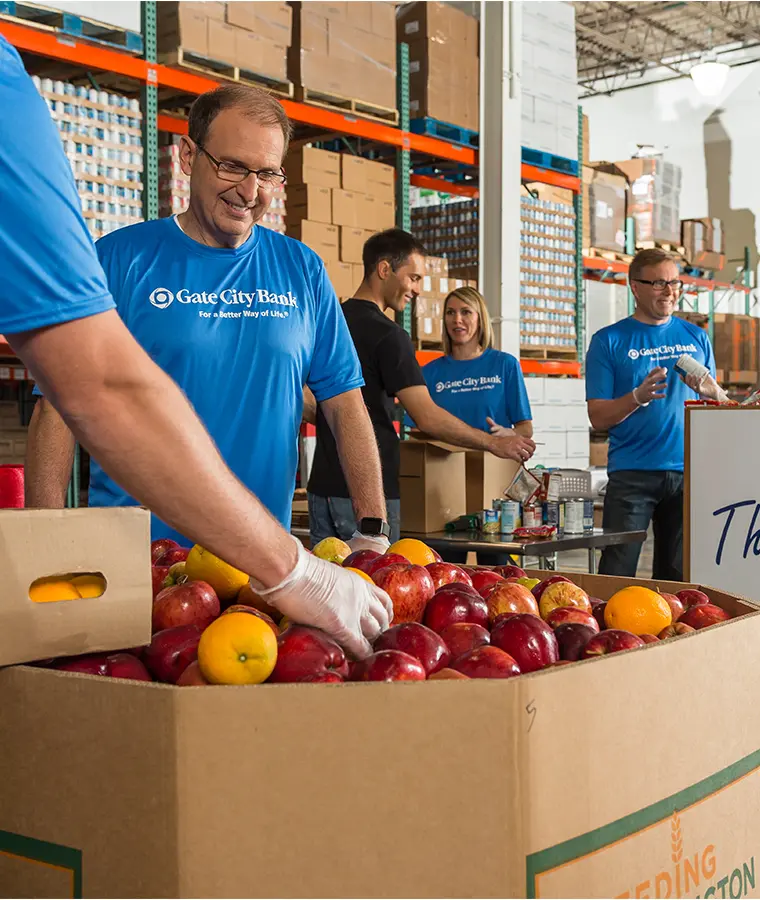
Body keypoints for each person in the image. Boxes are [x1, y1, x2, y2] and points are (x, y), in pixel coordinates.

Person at [2, 35, 390, 658]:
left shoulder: (302, 270)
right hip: (134, 566)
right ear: (187, 157)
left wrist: (371, 532)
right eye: (233, 166)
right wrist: (49, 542)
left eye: (267, 173)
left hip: (261, 573)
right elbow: (59, 408)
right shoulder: (120, 259)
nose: (250, 191)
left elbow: (347, 404)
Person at [306, 228, 536, 546]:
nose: (416, 289)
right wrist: (493, 444)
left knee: (322, 589)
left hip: (322, 488)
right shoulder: (389, 336)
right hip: (368, 496)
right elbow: (426, 417)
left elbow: (307, 402)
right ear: (384, 269)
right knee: (373, 588)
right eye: (413, 277)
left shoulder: (327, 323)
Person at [586, 247, 725, 581]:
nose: (670, 291)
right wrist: (636, 397)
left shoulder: (696, 337)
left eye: (675, 283)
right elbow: (599, 417)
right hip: (632, 475)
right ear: (635, 287)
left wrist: (714, 394)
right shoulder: (608, 341)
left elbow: (721, 411)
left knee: (678, 577)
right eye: (659, 283)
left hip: (686, 474)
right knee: (617, 573)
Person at [408, 285, 533, 565]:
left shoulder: (504, 366)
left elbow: (526, 430)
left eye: (466, 312)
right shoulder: (428, 373)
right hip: (443, 491)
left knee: (498, 571)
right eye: (450, 313)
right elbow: (415, 431)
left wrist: (509, 434)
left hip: (493, 489)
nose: (457, 320)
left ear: (480, 319)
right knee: (447, 569)